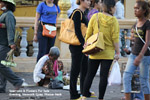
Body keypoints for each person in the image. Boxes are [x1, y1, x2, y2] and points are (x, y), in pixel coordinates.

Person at [82, 0, 120, 100]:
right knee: (103, 77)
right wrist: (118, 52)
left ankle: (84, 96)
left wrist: (87, 46)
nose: (115, 9)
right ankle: (101, 98)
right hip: (108, 53)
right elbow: (115, 39)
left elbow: (88, 33)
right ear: (111, 8)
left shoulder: (95, 17)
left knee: (90, 74)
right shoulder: (114, 21)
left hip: (95, 50)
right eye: (114, 7)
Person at [123, 1, 150, 100]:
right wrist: (129, 50)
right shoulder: (135, 24)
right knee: (126, 76)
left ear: (144, 11)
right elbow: (134, 41)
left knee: (144, 80)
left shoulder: (147, 23)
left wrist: (140, 56)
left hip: (144, 56)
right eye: (134, 8)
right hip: (133, 55)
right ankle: (127, 98)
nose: (135, 10)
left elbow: (147, 42)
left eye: (137, 8)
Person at [0, 0, 26, 92]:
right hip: (2, 43)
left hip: (5, 44)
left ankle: (17, 81)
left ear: (6, 4)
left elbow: (10, 29)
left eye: (1, 3)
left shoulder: (9, 15)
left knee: (1, 65)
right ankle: (1, 87)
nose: (0, 4)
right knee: (3, 64)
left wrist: (11, 42)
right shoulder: (4, 14)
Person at [68, 0, 90, 99]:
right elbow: (77, 30)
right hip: (76, 46)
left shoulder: (83, 13)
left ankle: (84, 91)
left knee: (84, 68)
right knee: (75, 70)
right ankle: (73, 94)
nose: (89, 2)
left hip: (81, 45)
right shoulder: (77, 12)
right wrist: (83, 44)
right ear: (81, 1)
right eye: (87, 0)